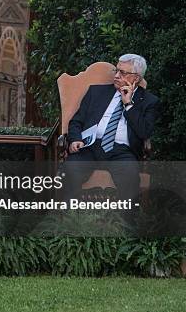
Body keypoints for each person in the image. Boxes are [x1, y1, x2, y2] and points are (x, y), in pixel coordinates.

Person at [63, 54, 160, 207]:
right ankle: (67, 219)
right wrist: (75, 139)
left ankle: (124, 226)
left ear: (136, 78)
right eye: (116, 70)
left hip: (122, 151)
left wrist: (128, 104)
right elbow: (76, 121)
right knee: (70, 168)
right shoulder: (96, 92)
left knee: (129, 175)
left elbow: (144, 132)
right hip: (90, 146)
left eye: (123, 73)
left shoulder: (149, 101)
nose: (116, 76)